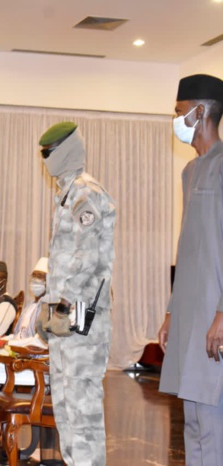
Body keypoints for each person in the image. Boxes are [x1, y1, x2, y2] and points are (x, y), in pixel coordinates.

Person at [36, 121, 116, 466]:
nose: (45, 160)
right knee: (66, 405)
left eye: (49, 153)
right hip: (65, 314)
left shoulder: (86, 192)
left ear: (66, 151)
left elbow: (87, 257)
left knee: (81, 407)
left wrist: (62, 304)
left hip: (82, 315)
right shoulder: (67, 194)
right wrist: (49, 304)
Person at [158, 73, 223, 465]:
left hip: (214, 316)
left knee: (212, 420)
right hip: (190, 314)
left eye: (180, 112)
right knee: (194, 421)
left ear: (201, 112)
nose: (177, 119)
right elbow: (189, 248)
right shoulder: (190, 171)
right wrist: (171, 312)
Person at [0, 257, 49, 421]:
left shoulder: (46, 308)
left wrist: (7, 343)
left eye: (41, 277)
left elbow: (37, 341)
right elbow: (17, 334)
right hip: (15, 355)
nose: (36, 281)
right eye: (35, 276)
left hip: (28, 361)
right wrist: (2, 341)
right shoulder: (30, 307)